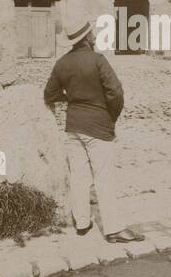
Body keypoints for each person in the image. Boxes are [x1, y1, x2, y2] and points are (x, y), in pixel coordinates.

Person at [43, 19, 145, 244]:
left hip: (73, 126)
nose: (95, 36)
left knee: (79, 175)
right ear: (87, 38)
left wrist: (70, 98)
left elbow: (49, 95)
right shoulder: (98, 60)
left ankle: (81, 223)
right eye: (93, 34)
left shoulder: (62, 64)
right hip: (98, 126)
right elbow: (116, 92)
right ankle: (113, 229)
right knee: (104, 177)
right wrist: (111, 116)